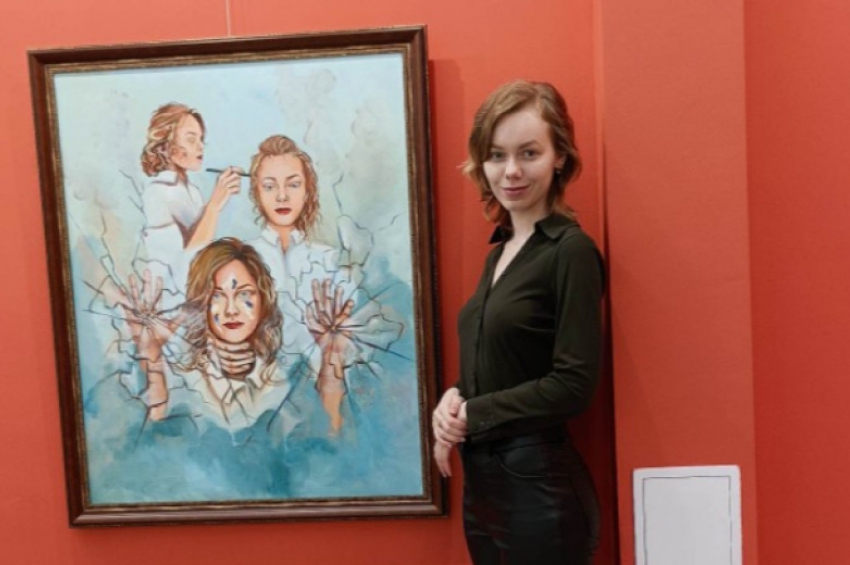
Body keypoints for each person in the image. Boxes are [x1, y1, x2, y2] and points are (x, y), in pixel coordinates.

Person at [431, 80, 605, 564]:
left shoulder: (570, 251)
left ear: (559, 158)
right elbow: (504, 363)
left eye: (529, 153)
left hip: (539, 491)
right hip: (484, 489)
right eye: (496, 155)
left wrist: (474, 412)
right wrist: (454, 397)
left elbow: (574, 384)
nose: (510, 171)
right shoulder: (501, 252)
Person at [245, 134, 358, 435]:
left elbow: (346, 347)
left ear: (308, 190)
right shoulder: (243, 260)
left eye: (293, 184)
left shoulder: (329, 260)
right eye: (270, 186)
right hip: (255, 402)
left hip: (322, 395)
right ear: (257, 193)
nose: (282, 196)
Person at [121, 237, 287, 430]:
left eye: (243, 294)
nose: (230, 310)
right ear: (201, 303)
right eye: (217, 296)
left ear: (263, 300)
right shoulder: (183, 377)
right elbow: (156, 432)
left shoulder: (279, 381)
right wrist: (152, 357)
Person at [139, 103, 244, 299]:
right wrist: (214, 206)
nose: (200, 146)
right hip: (167, 297)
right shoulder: (159, 192)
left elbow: (200, 247)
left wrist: (215, 203)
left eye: (201, 139)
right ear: (166, 146)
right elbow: (184, 265)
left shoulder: (192, 192)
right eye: (191, 139)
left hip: (191, 293)